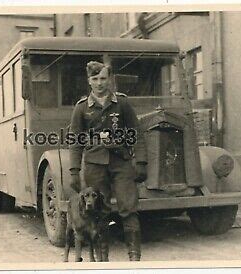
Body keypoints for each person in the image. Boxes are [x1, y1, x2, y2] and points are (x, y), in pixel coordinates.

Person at [68, 61, 148, 261]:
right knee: (98, 212)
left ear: (109, 79)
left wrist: (141, 162)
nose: (99, 83)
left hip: (121, 162)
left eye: (103, 78)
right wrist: (74, 170)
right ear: (89, 81)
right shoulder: (81, 108)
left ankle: (134, 258)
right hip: (95, 165)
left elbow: (136, 132)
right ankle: (103, 261)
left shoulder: (122, 103)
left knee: (129, 208)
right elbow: (75, 140)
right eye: (95, 79)